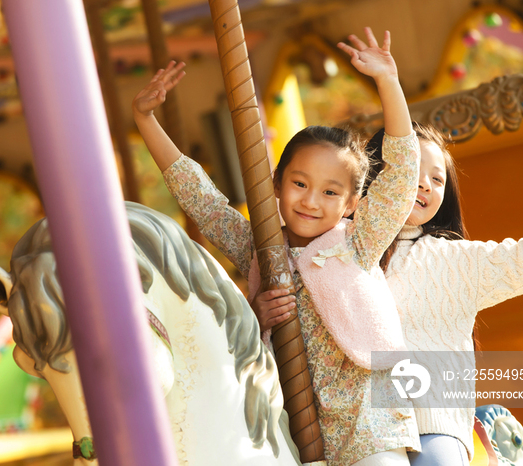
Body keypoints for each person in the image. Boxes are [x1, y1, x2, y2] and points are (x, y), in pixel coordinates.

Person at [134, 28, 422, 465]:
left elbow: (401, 175)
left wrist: (388, 83)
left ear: (351, 204)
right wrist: (146, 121)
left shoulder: (358, 242)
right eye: (300, 184)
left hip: (369, 418)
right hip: (288, 421)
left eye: (330, 192)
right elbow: (202, 201)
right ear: (276, 184)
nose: (310, 200)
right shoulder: (259, 246)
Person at [259, 115, 523, 465]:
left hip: (431, 422)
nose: (423, 185)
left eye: (437, 179)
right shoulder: (331, 248)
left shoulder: (454, 260)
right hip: (346, 426)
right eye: (413, 171)